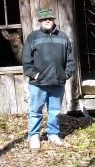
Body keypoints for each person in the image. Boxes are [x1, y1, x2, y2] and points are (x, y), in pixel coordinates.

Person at [22, 8, 75, 150]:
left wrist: (66, 74)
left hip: (57, 82)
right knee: (35, 110)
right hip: (38, 82)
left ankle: (53, 134)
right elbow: (26, 60)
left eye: (50, 18)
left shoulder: (63, 37)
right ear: (40, 21)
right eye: (44, 19)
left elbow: (70, 60)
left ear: (53, 20)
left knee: (55, 110)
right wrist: (35, 74)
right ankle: (34, 135)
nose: (47, 21)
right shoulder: (33, 37)